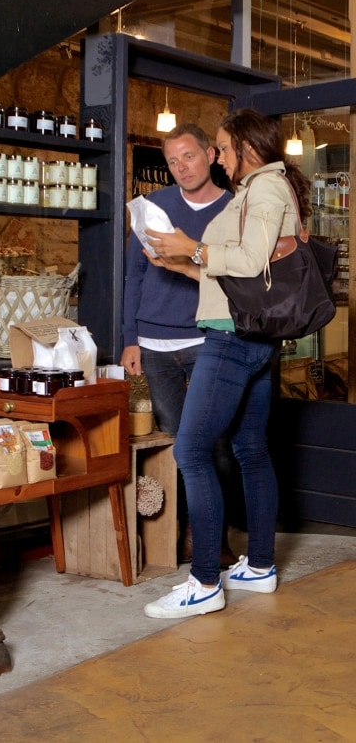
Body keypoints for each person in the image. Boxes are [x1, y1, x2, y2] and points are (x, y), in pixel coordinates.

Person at [142, 108, 311, 619]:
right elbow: (237, 279)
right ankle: (259, 566)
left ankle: (204, 583)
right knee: (250, 449)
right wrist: (179, 261)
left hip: (232, 339)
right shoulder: (258, 190)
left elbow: (252, 261)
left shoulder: (264, 189)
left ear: (244, 148)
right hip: (247, 330)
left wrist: (191, 248)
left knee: (190, 451)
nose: (219, 155)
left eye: (221, 146)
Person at [120, 123, 234, 564]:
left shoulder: (232, 209)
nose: (181, 167)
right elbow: (134, 275)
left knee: (214, 442)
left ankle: (215, 538)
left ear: (209, 154)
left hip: (209, 339)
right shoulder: (150, 206)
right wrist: (130, 339)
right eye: (172, 161)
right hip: (154, 343)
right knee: (178, 445)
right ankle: (184, 532)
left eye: (189, 156)